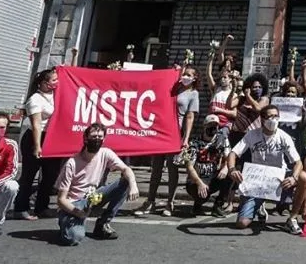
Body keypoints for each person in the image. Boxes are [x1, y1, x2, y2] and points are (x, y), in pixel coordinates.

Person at [225, 104, 304, 234]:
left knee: (304, 178)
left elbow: (298, 162)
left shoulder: (284, 137)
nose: (273, 119)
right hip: (257, 180)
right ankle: (258, 205)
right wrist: (232, 169)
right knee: (242, 223)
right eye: (269, 116)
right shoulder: (252, 135)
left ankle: (292, 218)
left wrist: (294, 177)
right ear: (262, 119)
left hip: (279, 178)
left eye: (276, 116)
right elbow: (233, 153)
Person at [55, 123, 139, 245]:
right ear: (85, 138)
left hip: (94, 197)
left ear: (104, 139)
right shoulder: (71, 163)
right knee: (74, 238)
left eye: (100, 137)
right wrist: (79, 213)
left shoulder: (105, 153)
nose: (97, 140)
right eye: (94, 137)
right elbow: (61, 200)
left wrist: (133, 185)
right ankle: (66, 223)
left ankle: (102, 224)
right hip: (75, 203)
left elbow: (126, 169)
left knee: (125, 180)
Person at [137, 64, 200, 217]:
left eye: (189, 75)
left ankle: (169, 202)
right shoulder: (173, 88)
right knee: (156, 167)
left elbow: (190, 117)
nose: (186, 77)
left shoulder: (193, 94)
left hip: (175, 133)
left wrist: (186, 138)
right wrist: (177, 70)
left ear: (194, 78)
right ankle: (150, 200)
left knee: (173, 168)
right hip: (161, 131)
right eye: (184, 74)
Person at [14, 68, 61, 220]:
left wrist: (74, 56)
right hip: (36, 139)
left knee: (50, 175)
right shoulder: (35, 99)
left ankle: (42, 207)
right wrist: (37, 146)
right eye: (54, 80)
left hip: (52, 139)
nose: (57, 82)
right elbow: (36, 125)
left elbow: (71, 76)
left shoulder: (56, 95)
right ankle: (21, 207)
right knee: (29, 175)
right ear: (43, 83)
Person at [185, 114, 230, 216]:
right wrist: (199, 183)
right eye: (210, 125)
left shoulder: (222, 139)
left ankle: (218, 205)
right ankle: (198, 204)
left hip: (213, 176)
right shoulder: (194, 143)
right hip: (197, 178)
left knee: (232, 174)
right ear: (204, 126)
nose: (213, 128)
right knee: (201, 196)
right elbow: (189, 167)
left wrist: (226, 167)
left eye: (216, 125)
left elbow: (229, 155)